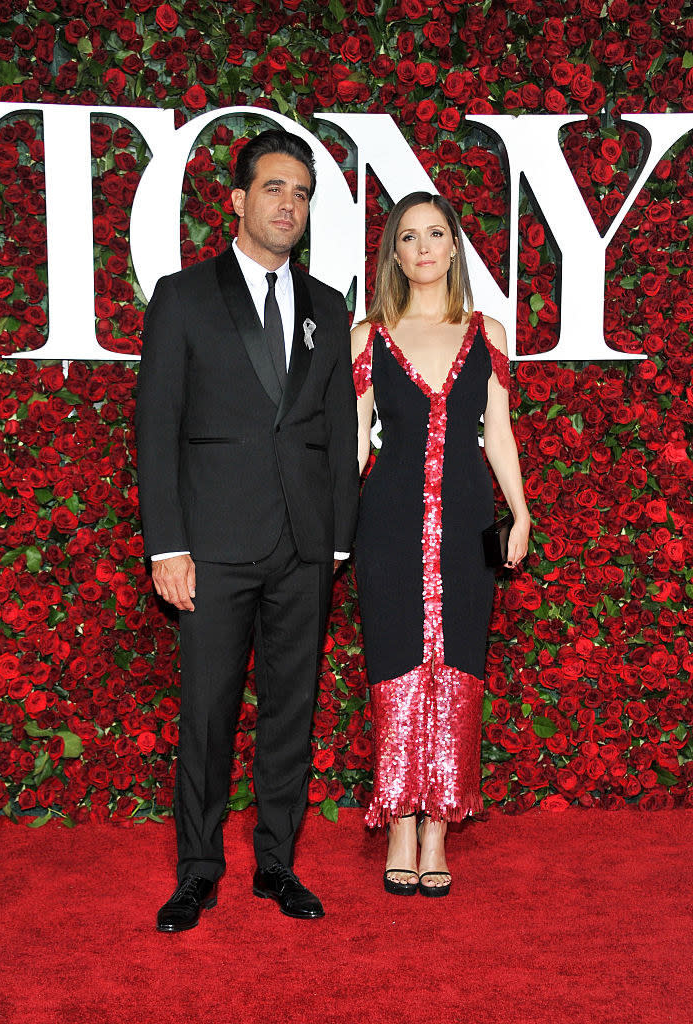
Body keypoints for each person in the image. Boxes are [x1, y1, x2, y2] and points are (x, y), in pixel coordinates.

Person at [135, 129, 358, 931]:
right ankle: (197, 869)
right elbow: (156, 428)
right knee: (207, 714)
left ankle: (276, 863)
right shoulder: (183, 295)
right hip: (212, 547)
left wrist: (336, 542)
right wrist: (167, 544)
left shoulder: (329, 307)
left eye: (301, 193)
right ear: (237, 199)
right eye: (273, 188)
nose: (288, 204)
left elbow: (336, 430)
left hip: (304, 547)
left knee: (290, 713)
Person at [350, 191, 529, 897]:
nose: (423, 247)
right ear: (393, 254)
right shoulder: (369, 334)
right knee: (394, 662)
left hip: (468, 521)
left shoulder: (489, 335)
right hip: (386, 523)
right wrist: (333, 526)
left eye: (435, 234)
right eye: (407, 237)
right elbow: (353, 440)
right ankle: (398, 819)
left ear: (454, 246)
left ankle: (439, 826)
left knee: (460, 664)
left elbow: (501, 433)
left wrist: (521, 513)